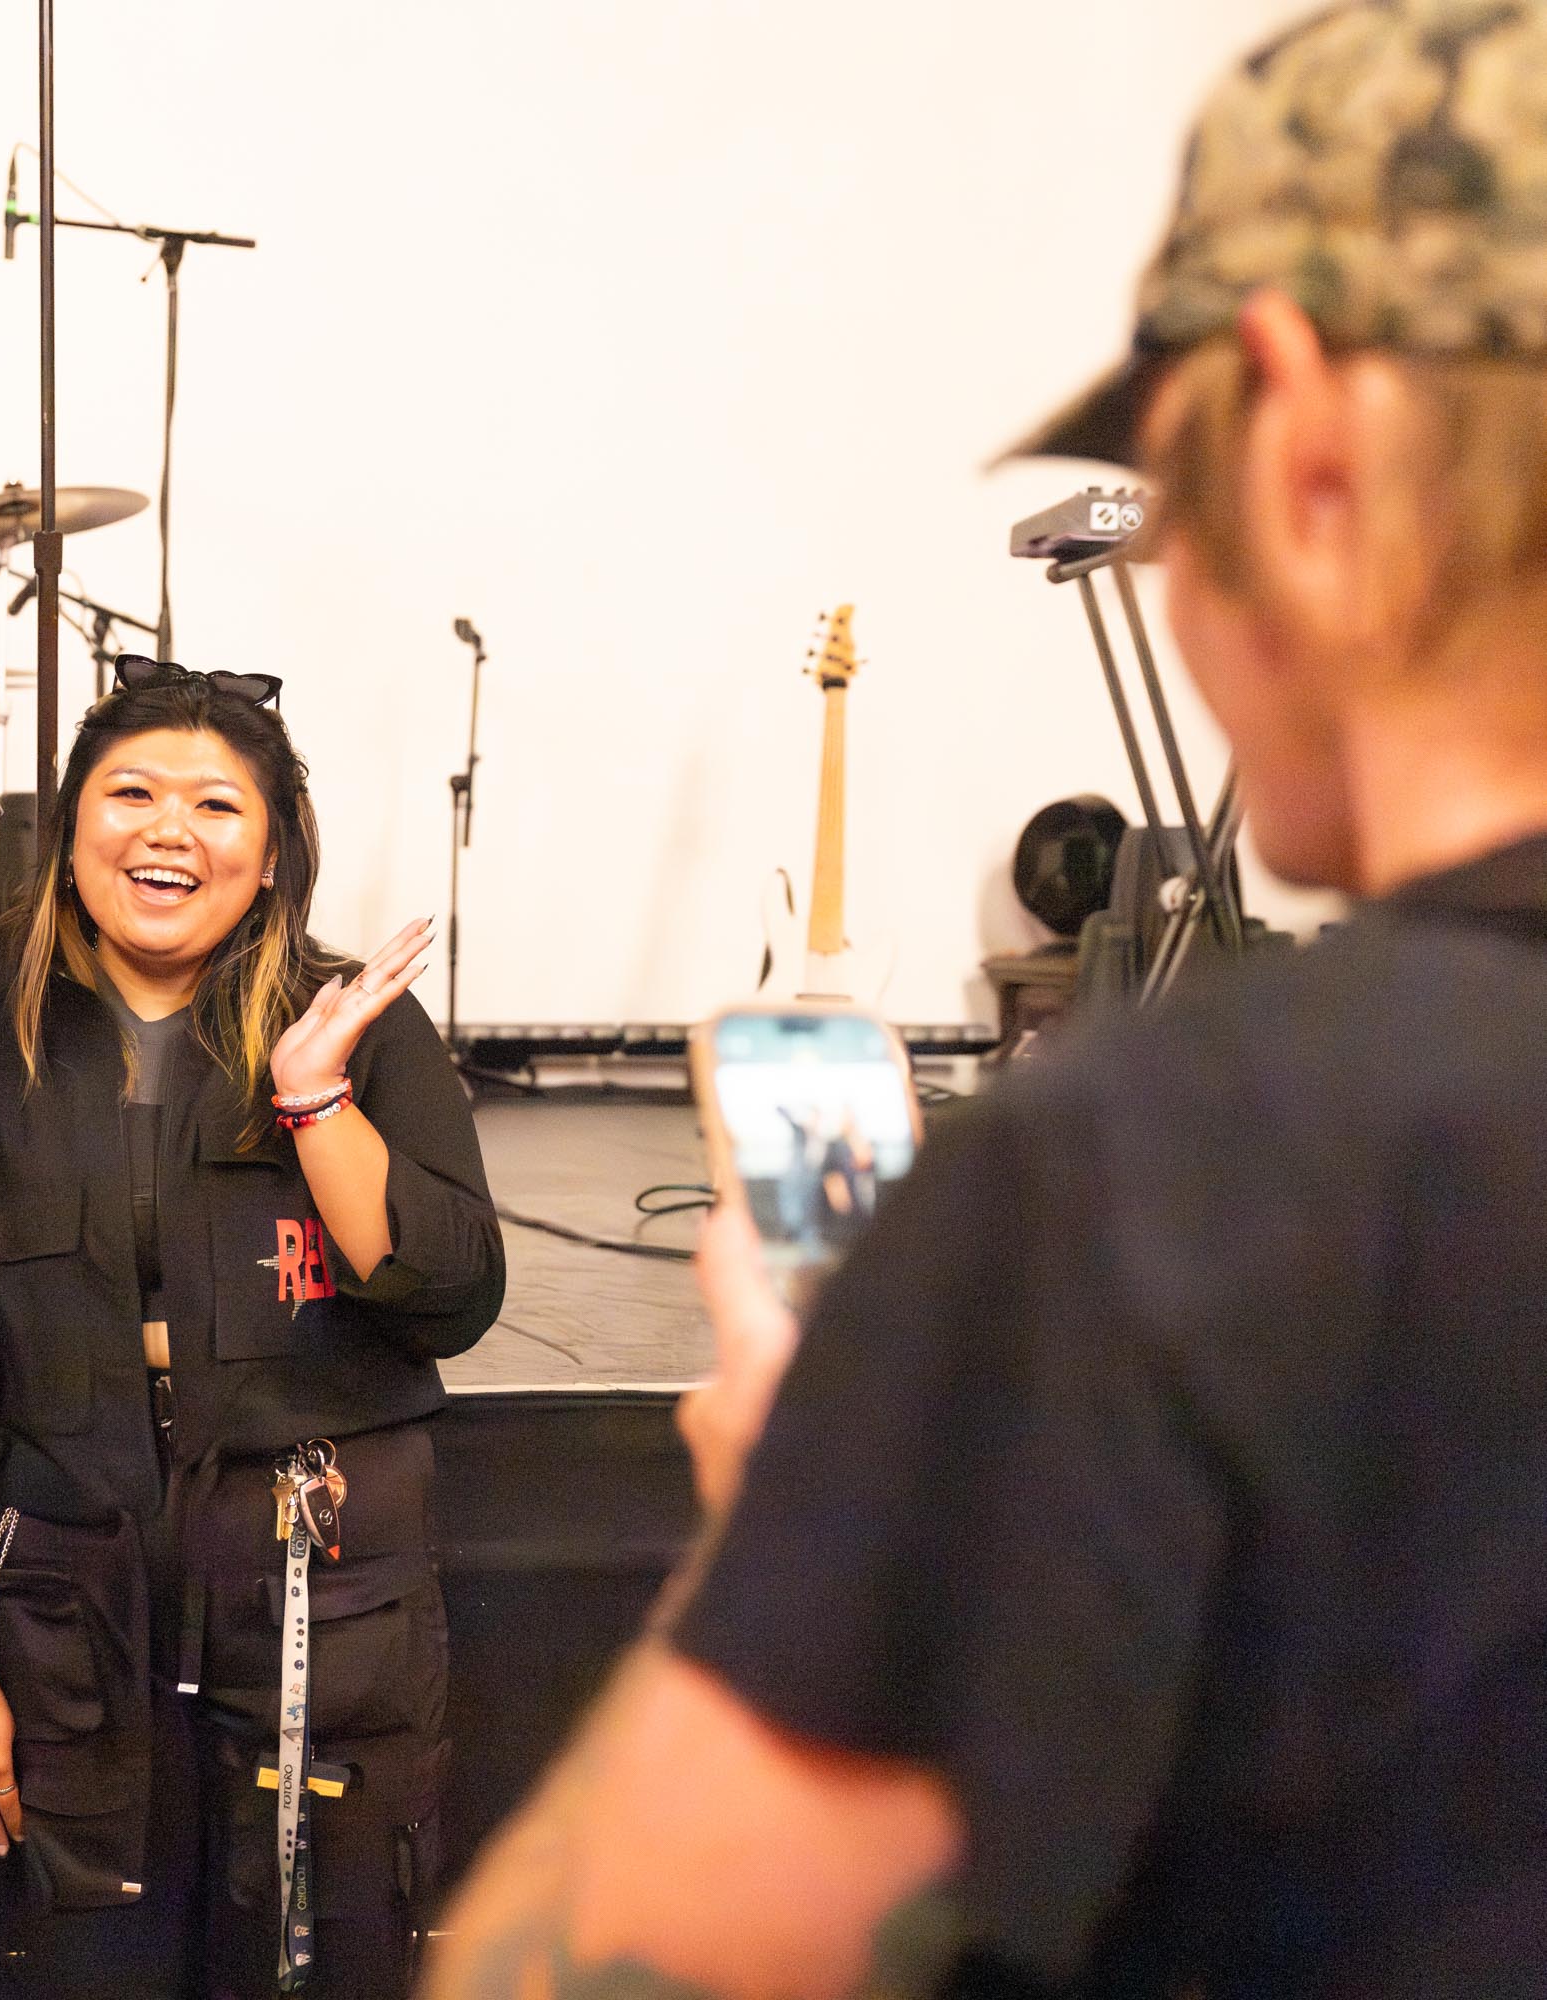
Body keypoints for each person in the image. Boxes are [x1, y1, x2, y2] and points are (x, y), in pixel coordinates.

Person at [425, 1, 1547, 1993]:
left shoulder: (1176, 1177)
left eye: (1171, 486)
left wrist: (794, 1530)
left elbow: (612, 1966)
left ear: (1307, 463)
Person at [0, 655, 506, 1997]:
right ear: (69, 831)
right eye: (132, 793)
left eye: (216, 805)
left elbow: (450, 1297)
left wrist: (315, 1099)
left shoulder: (363, 1032)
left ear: (268, 859)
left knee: (320, 1959)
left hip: (323, 1588)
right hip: (67, 1606)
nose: (169, 831)